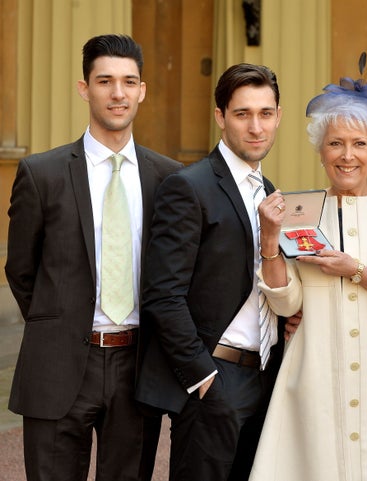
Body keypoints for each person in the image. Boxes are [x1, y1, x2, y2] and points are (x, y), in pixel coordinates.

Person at [4, 34, 181, 481]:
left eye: (128, 82)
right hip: (58, 364)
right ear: (84, 88)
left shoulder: (170, 179)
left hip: (138, 366)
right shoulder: (41, 174)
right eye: (105, 81)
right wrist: (58, 324)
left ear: (142, 89)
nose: (117, 93)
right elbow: (20, 269)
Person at [248, 61, 367, 481]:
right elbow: (286, 303)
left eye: (358, 144)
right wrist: (270, 243)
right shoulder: (300, 210)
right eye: (335, 144)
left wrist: (357, 269)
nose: (347, 156)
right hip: (315, 376)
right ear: (320, 151)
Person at [134, 63, 285, 481]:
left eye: (265, 113)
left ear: (278, 116)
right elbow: (162, 295)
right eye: (242, 114)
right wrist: (203, 377)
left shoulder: (269, 191)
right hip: (215, 379)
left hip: (263, 377)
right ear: (220, 117)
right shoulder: (189, 186)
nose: (256, 127)